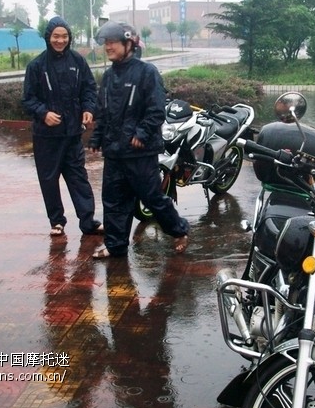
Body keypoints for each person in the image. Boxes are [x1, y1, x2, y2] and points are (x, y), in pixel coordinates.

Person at [88, 21, 189, 258]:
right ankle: (115, 246)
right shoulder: (109, 76)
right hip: (114, 152)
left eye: (112, 42)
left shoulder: (147, 73)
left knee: (152, 198)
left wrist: (142, 134)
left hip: (140, 152)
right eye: (106, 43)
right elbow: (102, 111)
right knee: (113, 201)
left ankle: (179, 230)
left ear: (129, 43)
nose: (108, 47)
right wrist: (97, 136)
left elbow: (156, 110)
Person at [22, 15, 103, 237]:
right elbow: (28, 99)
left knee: (79, 178)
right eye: (56, 36)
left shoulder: (77, 62)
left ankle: (88, 222)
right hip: (46, 136)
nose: (60, 40)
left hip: (72, 134)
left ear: (69, 38)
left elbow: (89, 89)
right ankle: (56, 221)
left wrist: (88, 109)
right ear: (48, 37)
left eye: (64, 36)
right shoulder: (36, 66)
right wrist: (43, 113)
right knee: (49, 180)